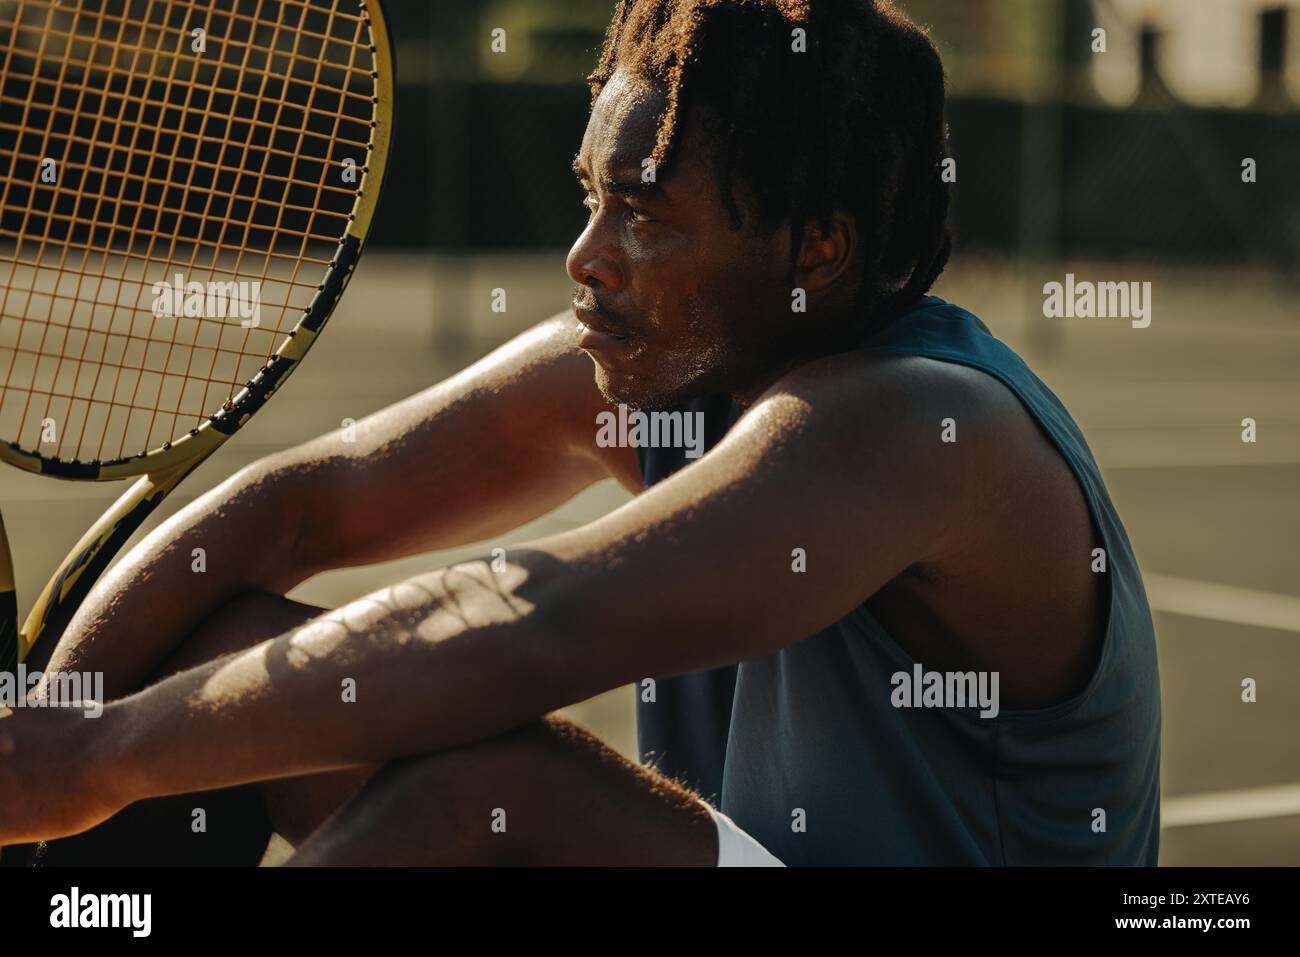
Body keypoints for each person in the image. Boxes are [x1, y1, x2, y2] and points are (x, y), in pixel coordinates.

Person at [0, 0, 1160, 867]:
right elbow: (300, 504)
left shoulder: (921, 424)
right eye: (591, 196)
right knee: (219, 662)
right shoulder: (663, 358)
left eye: (644, 215)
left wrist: (95, 757)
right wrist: (49, 728)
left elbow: (523, 622)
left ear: (818, 249)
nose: (585, 255)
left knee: (492, 791)